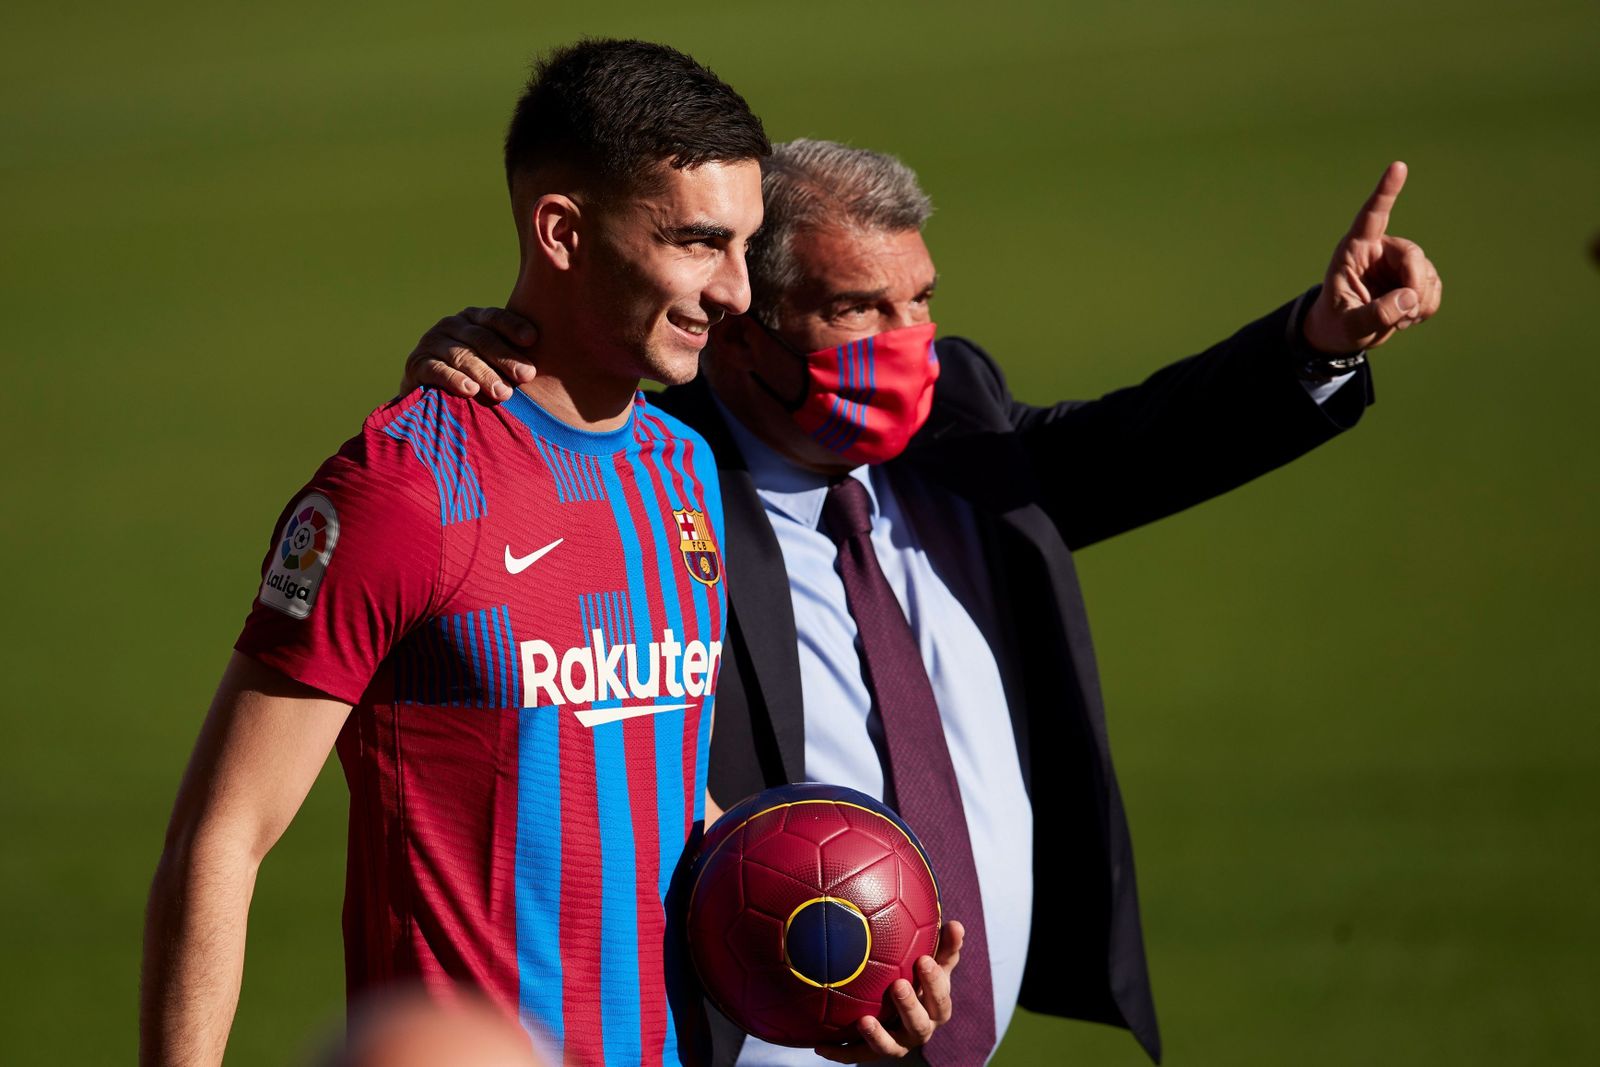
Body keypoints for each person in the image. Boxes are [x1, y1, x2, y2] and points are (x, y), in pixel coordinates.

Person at [405, 139, 1442, 1066]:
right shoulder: (651, 489)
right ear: (738, 330)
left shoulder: (956, 428)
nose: (910, 344)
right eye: (856, 308)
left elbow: (1127, 449)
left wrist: (1320, 341)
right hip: (748, 1039)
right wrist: (480, 371)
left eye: (920, 300)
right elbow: (513, 530)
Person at [140, 39, 776, 1067]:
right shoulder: (404, 491)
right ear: (563, 229)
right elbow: (217, 840)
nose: (738, 290)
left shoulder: (683, 469)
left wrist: (838, 929)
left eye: (746, 243)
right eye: (700, 242)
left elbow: (648, 778)